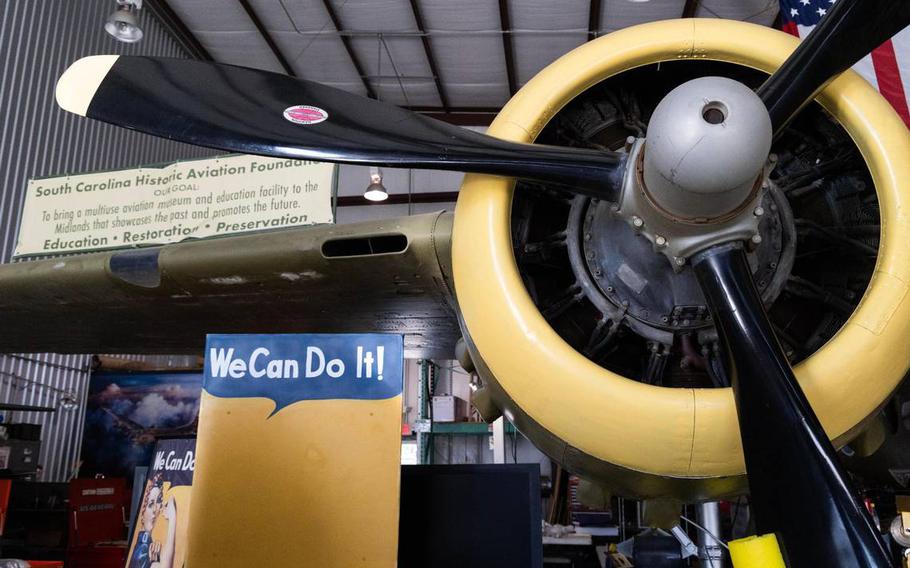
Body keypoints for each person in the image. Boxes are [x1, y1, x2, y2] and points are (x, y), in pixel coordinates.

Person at [129, 474, 177, 568]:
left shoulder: (146, 544)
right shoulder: (142, 548)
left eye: (158, 501)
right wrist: (172, 518)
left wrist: (155, 560)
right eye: (151, 504)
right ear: (142, 513)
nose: (155, 509)